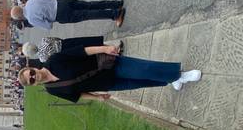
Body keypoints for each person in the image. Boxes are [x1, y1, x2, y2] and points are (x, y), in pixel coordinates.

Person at [18, 45, 202, 103]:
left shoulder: (54, 60)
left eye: (31, 73)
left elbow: (82, 51)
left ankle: (179, 75)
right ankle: (169, 81)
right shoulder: (51, 90)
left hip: (108, 66)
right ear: (33, 85)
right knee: (142, 82)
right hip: (108, 83)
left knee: (144, 69)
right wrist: (97, 97)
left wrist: (105, 48)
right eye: (31, 80)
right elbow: (77, 95)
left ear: (32, 68)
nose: (34, 77)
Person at [10, 0, 125, 30]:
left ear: (20, 18)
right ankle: (116, 4)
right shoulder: (30, 1)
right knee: (89, 4)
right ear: (20, 6)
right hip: (61, 2)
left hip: (60, 15)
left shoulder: (31, 19)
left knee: (88, 14)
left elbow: (48, 26)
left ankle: (115, 14)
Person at [22, 36, 113, 62]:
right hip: (65, 43)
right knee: (86, 42)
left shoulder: (42, 59)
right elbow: (56, 38)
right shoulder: (44, 40)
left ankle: (108, 53)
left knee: (85, 52)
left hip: (65, 54)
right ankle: (108, 47)